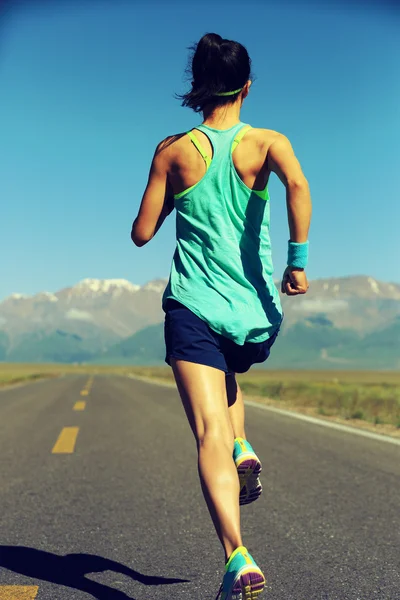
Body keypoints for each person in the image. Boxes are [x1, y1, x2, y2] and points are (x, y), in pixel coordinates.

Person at [131, 32, 311, 600]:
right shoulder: (267, 144)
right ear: (247, 85)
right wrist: (297, 263)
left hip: (192, 307)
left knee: (209, 428)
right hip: (254, 312)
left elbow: (141, 234)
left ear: (198, 87)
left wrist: (175, 197)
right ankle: (244, 445)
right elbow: (299, 187)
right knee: (226, 380)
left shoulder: (173, 151)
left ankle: (237, 555)